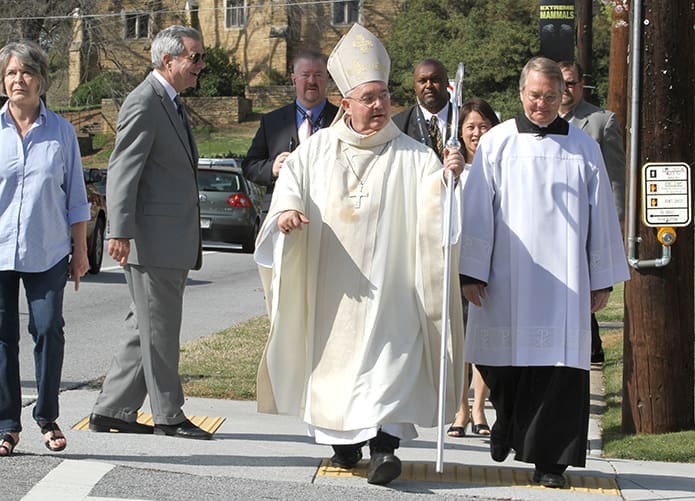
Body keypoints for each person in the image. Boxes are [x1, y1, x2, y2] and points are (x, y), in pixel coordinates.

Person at [253, 24, 466, 486]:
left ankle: (385, 448)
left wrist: (449, 181)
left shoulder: (415, 156)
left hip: (392, 291)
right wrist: (287, 213)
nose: (379, 105)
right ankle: (346, 441)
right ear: (345, 102)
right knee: (336, 375)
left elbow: (439, 215)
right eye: (368, 97)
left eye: (384, 96)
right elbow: (290, 188)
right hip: (335, 293)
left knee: (389, 365)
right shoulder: (315, 152)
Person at [459, 57, 629, 488]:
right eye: (535, 96)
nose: (541, 104)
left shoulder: (583, 147)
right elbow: (477, 210)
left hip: (565, 281)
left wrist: (601, 276)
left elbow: (602, 215)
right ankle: (507, 422)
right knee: (500, 365)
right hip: (506, 276)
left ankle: (550, 462)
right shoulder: (497, 143)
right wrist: (471, 272)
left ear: (564, 96)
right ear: (521, 94)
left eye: (551, 96)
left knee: (558, 372)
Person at [89, 25, 211, 440]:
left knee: (144, 326)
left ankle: (113, 410)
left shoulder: (170, 103)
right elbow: (123, 170)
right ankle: (168, 414)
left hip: (168, 242)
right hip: (152, 242)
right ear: (168, 60)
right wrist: (118, 232)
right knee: (159, 331)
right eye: (194, 58)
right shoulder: (144, 101)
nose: (201, 66)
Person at [0, 41, 91, 456]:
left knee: (48, 328)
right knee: (2, 338)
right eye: (12, 73)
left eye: (26, 72)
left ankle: (47, 415)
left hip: (49, 249)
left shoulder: (61, 131)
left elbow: (75, 196)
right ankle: (6, 424)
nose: (19, 79)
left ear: (41, 79)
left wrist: (81, 251)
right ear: (3, 81)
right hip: (0, 251)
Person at [559, 60, 627, 365]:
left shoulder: (601, 121)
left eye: (571, 83)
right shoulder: (540, 122)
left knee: (587, 291)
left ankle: (589, 348)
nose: (566, 89)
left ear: (581, 84)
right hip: (555, 224)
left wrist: (616, 223)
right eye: (561, 83)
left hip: (589, 222)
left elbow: (615, 178)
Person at [447, 98, 499, 439]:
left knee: (483, 337)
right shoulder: (453, 170)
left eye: (483, 126)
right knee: (460, 338)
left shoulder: (500, 167)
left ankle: (480, 408)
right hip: (456, 262)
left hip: (493, 262)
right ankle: (460, 409)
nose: (477, 133)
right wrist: (447, 175)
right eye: (471, 127)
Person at [242, 50, 339, 210]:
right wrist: (271, 168)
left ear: (327, 78)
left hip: (330, 212)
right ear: (294, 80)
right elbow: (249, 166)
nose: (312, 81)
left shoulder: (342, 119)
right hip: (281, 212)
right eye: (305, 75)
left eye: (318, 75)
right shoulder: (272, 122)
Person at [392, 58, 452, 161]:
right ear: (415, 87)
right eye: (422, 81)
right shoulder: (397, 126)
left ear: (446, 82)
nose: (429, 85)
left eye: (435, 80)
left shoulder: (465, 119)